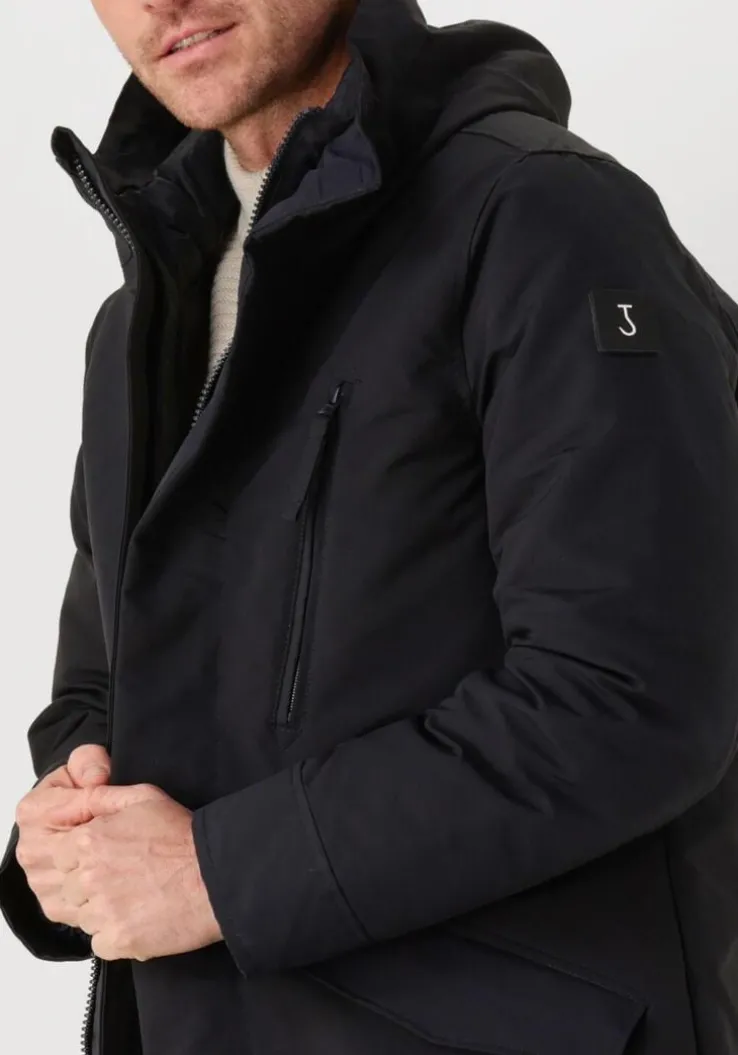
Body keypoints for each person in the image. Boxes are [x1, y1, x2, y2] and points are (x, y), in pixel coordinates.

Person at [2, 0, 738, 1051]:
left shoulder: (544, 218)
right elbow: (101, 684)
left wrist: (216, 874)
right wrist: (69, 822)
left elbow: (631, 694)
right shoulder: (143, 313)